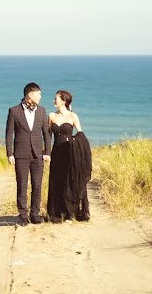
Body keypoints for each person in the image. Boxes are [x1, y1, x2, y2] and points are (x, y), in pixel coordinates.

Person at [5, 82, 51, 225]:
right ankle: (22, 214)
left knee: (37, 185)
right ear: (30, 95)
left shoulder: (42, 111)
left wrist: (47, 151)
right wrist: (10, 153)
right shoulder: (14, 111)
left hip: (38, 154)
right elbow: (9, 134)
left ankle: (35, 213)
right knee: (22, 185)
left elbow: (47, 134)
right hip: (21, 154)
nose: (40, 96)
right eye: (39, 94)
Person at [46, 89, 91, 223]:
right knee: (56, 180)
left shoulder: (73, 116)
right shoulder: (51, 116)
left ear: (63, 101)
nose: (54, 101)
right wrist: (46, 152)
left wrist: (72, 141)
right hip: (56, 152)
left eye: (56, 98)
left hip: (69, 153)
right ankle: (56, 213)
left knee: (69, 181)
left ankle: (70, 212)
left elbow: (81, 135)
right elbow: (48, 136)